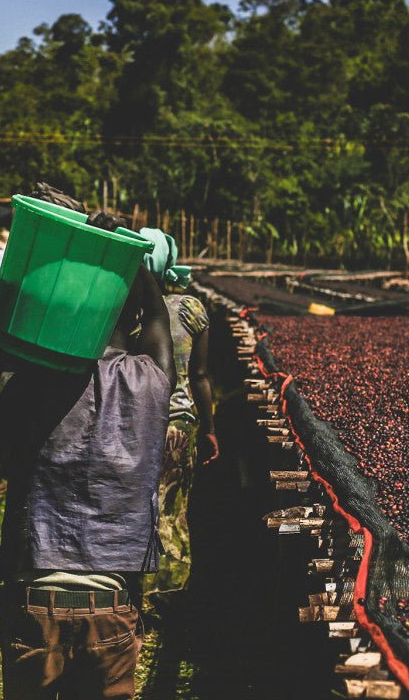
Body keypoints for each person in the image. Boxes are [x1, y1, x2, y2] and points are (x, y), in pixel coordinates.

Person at [0, 210, 175, 700]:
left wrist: (4, 343)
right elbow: (159, 319)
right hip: (112, 605)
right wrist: (132, 258)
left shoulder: (37, 382)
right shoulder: (152, 383)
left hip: (36, 600)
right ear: (133, 318)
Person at [136, 229, 218, 605]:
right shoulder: (192, 309)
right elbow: (200, 376)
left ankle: (135, 586)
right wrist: (210, 427)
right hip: (179, 423)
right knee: (173, 506)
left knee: (139, 502)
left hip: (138, 421)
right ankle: (171, 592)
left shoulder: (129, 307)